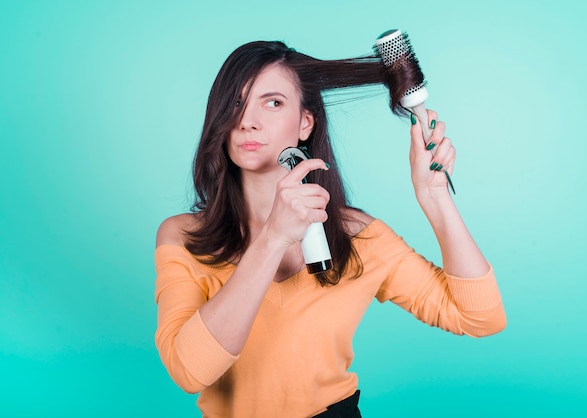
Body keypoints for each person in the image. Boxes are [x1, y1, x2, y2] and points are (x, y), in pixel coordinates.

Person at [154, 40, 506, 418]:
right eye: (236, 104)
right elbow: (189, 371)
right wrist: (273, 238)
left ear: (306, 122)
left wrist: (434, 196)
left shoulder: (358, 236)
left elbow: (479, 317)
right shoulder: (185, 237)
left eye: (272, 103)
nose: (248, 120)